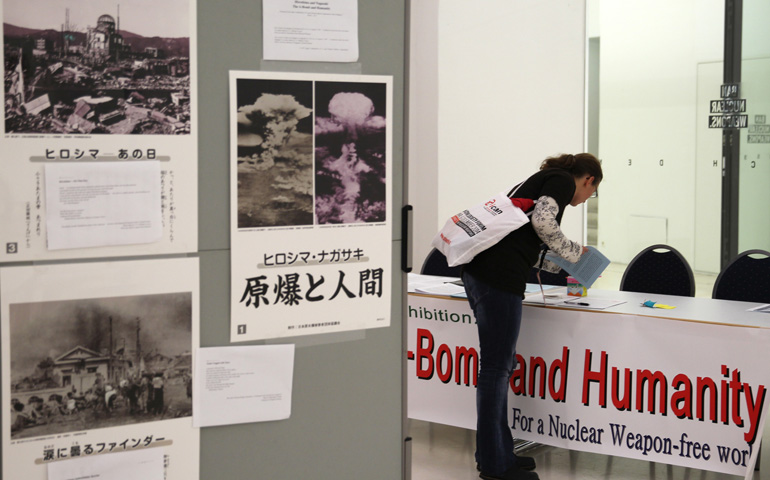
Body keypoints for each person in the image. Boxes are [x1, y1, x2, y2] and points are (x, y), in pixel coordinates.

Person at [462, 153, 602, 480]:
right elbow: (543, 224)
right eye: (590, 193)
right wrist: (573, 253)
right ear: (588, 180)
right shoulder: (562, 181)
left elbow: (531, 244)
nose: (583, 200)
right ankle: (497, 466)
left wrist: (572, 264)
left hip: (481, 272)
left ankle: (496, 453)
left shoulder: (536, 182)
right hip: (498, 278)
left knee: (497, 368)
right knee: (496, 371)